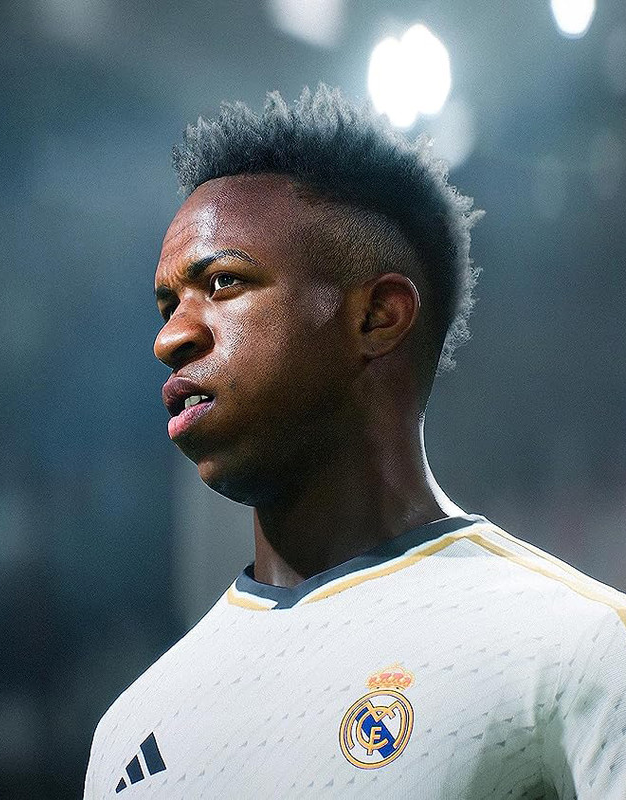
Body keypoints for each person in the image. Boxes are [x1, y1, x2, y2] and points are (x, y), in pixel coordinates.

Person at [84, 84, 626, 798]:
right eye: (167, 304)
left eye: (223, 282)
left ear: (378, 316)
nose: (170, 338)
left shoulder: (573, 648)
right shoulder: (130, 734)